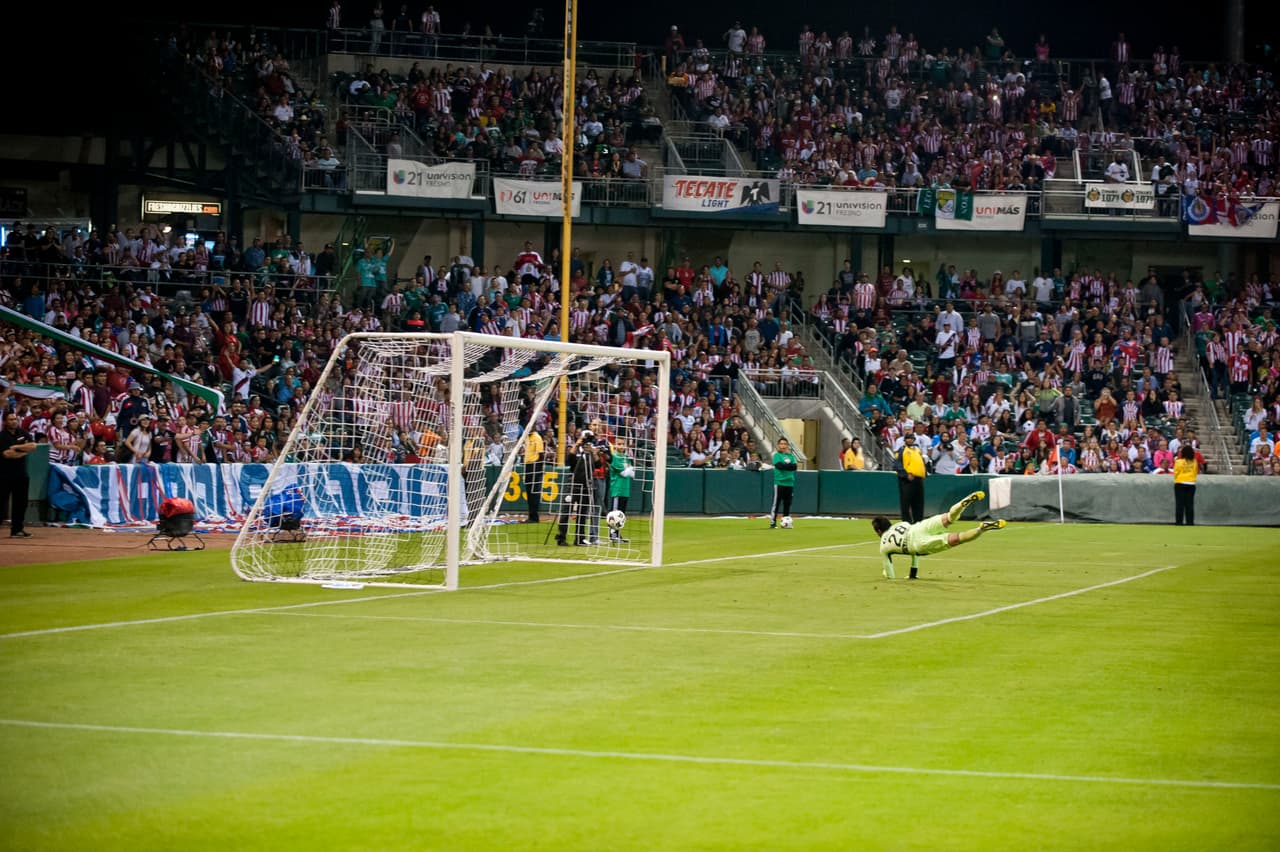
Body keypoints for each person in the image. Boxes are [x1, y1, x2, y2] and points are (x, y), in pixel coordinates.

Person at [872, 491, 1005, 580]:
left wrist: (892, 577)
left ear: (878, 531)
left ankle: (981, 529)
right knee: (948, 517)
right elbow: (914, 555)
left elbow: (889, 571)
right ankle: (964, 502)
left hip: (917, 544)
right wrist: (913, 573)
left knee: (956, 538)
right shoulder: (902, 524)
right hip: (918, 528)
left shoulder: (883, 545)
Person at [557, 428, 598, 546]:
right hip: (573, 483)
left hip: (586, 484)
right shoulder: (575, 448)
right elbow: (569, 460)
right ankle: (561, 537)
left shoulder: (591, 451)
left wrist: (593, 451)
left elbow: (598, 464)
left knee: (582, 513)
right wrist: (578, 443)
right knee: (566, 511)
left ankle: (580, 538)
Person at [1, 411, 37, 537]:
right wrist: (23, 450)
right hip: (4, 475)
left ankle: (17, 529)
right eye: (10, 419)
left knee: (21, 503)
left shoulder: (23, 433)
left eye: (15, 419)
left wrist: (16, 447)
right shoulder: (2, 436)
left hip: (21, 474)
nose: (13, 421)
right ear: (5, 421)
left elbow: (32, 446)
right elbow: (7, 454)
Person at [607, 436, 635, 543]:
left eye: (623, 444)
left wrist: (630, 469)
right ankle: (612, 535)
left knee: (621, 514)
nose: (621, 446)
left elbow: (632, 474)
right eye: (619, 444)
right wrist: (630, 469)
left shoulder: (626, 457)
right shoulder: (614, 457)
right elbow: (624, 473)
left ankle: (618, 534)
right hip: (617, 489)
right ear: (615, 445)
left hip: (625, 489)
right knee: (614, 514)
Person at [894, 432, 926, 523]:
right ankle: (906, 522)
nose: (910, 440)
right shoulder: (902, 450)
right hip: (907, 480)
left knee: (918, 502)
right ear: (905, 440)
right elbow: (897, 465)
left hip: (918, 479)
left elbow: (921, 463)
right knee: (906, 503)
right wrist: (906, 474)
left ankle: (918, 522)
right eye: (908, 438)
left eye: (912, 438)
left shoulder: (917, 450)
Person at [769, 437, 799, 528]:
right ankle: (773, 523)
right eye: (781, 444)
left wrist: (786, 465)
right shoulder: (776, 455)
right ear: (778, 445)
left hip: (789, 482)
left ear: (787, 446)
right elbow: (779, 466)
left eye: (785, 444)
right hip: (779, 482)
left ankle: (786, 523)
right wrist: (788, 466)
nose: (783, 446)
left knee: (787, 504)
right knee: (776, 503)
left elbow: (794, 467)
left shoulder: (791, 456)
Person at [1173, 444, 1199, 526]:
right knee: (1189, 504)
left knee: (1179, 504)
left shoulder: (1178, 461)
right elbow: (1195, 472)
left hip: (1180, 483)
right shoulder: (1194, 461)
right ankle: (1190, 522)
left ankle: (1179, 522)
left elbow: (1176, 472)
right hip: (1191, 483)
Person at [523, 427, 545, 523]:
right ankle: (531, 516)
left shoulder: (537, 437)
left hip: (534, 465)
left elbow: (541, 455)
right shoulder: (527, 437)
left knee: (534, 492)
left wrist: (538, 468)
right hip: (527, 465)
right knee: (529, 492)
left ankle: (535, 517)